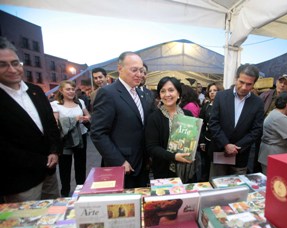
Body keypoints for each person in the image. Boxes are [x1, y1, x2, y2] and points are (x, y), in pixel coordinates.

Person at [0, 36, 61, 202]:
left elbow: (51, 126)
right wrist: (40, 161)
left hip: (49, 173)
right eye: (3, 65)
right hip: (21, 180)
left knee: (54, 213)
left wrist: (54, 151)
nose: (12, 70)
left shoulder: (36, 91)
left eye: (15, 63)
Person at [91, 51, 154, 188]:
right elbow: (98, 133)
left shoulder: (139, 93)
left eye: (141, 70)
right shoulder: (108, 93)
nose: (139, 74)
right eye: (134, 70)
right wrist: (119, 161)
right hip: (123, 166)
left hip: (142, 164)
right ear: (120, 69)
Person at [209, 63, 264, 178]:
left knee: (237, 191)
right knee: (217, 187)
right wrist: (225, 144)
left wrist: (236, 147)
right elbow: (214, 123)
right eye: (241, 82)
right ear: (236, 78)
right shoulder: (221, 96)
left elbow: (256, 130)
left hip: (241, 155)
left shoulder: (258, 102)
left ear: (254, 84)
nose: (244, 87)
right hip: (220, 152)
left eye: (249, 84)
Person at [145, 77, 195, 182]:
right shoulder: (154, 118)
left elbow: (193, 140)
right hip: (163, 171)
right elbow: (152, 147)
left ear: (178, 94)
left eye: (171, 90)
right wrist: (174, 156)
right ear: (159, 95)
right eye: (163, 91)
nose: (167, 94)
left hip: (186, 170)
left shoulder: (188, 115)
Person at [51, 80, 91, 197]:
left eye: (73, 89)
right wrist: (75, 119)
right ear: (61, 91)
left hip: (81, 137)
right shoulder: (55, 104)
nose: (71, 91)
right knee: (65, 167)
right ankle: (65, 192)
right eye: (68, 89)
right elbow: (56, 123)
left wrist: (85, 118)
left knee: (81, 165)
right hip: (65, 140)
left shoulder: (80, 102)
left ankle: (81, 189)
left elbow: (88, 115)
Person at [199, 82, 224, 181]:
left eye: (215, 90)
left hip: (219, 142)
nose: (212, 93)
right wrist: (202, 141)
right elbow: (201, 124)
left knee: (218, 169)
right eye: (210, 91)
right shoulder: (206, 106)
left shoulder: (224, 106)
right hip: (207, 140)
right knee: (205, 166)